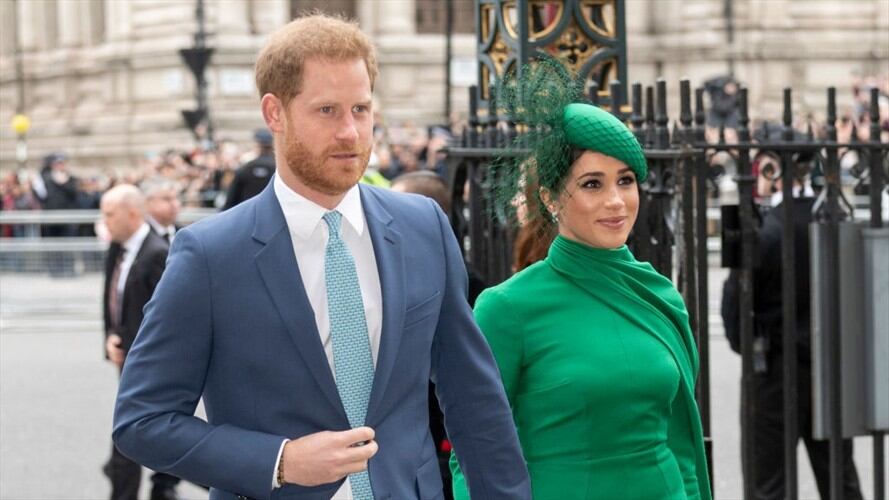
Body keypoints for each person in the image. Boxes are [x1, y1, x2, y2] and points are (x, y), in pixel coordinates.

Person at [112, 14, 530, 500]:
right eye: (327, 110)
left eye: (361, 108)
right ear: (275, 113)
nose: (350, 132)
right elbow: (142, 420)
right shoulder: (209, 255)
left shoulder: (423, 228)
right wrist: (280, 461)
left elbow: (474, 398)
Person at [451, 62, 711, 500]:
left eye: (625, 181)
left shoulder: (660, 294)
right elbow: (474, 453)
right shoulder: (508, 307)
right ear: (550, 199)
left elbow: (682, 445)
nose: (616, 201)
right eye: (592, 184)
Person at [720, 149, 863, 500]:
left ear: (771, 168)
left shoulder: (763, 229)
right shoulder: (836, 219)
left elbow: (735, 311)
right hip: (829, 365)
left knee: (769, 483)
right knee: (839, 479)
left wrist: (747, 344)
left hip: (772, 367)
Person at [99, 185, 178, 500]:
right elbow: (111, 299)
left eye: (109, 214)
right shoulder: (117, 248)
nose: (103, 221)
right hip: (126, 358)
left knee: (128, 439)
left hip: (151, 366)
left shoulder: (157, 252)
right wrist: (111, 335)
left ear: (132, 213)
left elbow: (166, 317)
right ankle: (163, 486)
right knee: (137, 437)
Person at [223, 128, 276, 209]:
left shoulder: (245, 168)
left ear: (257, 145)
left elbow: (231, 200)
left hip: (247, 215)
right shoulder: (279, 170)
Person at [143, 179, 181, 245]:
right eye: (166, 199)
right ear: (148, 202)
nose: (175, 204)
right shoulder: (141, 234)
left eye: (176, 198)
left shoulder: (182, 233)